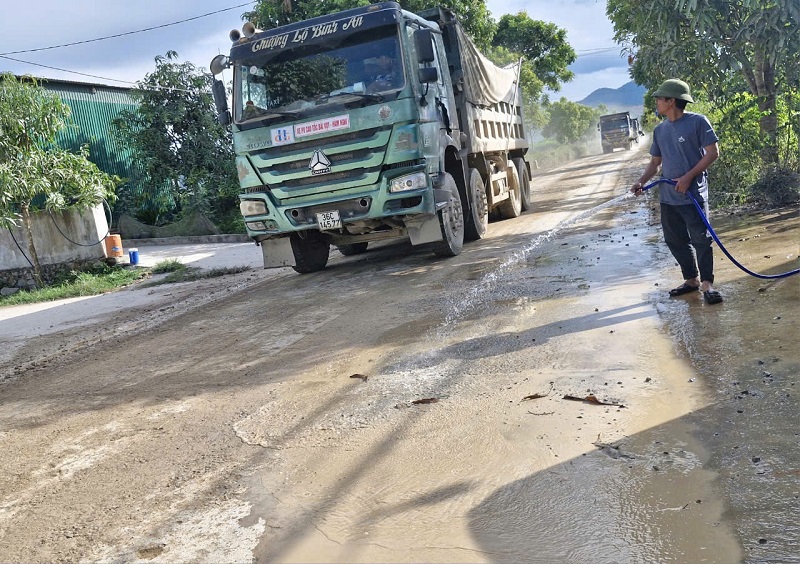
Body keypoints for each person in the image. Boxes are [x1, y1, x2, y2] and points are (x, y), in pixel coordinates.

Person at [631, 78, 723, 304]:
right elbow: (655, 163)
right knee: (675, 240)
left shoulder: (698, 122)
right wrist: (641, 181)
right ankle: (691, 280)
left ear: (671, 101)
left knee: (701, 240)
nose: (656, 102)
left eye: (659, 99)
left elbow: (713, 153)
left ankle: (707, 284)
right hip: (669, 198)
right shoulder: (660, 130)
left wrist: (688, 177)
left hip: (693, 195)